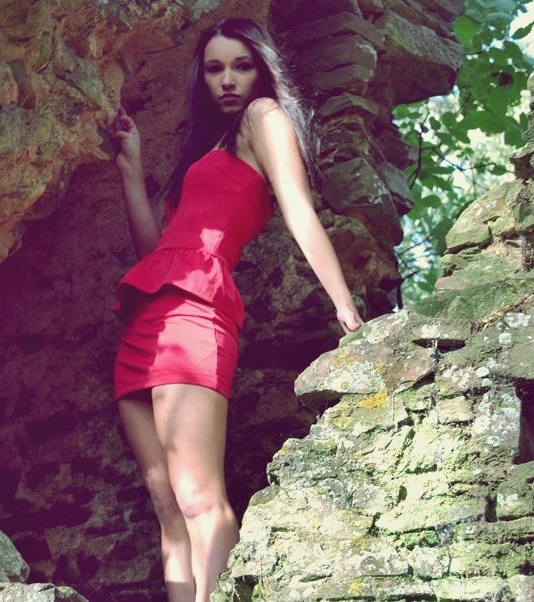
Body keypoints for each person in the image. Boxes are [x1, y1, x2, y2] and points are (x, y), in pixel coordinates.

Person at [107, 17, 364, 601]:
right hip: (148, 319)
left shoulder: (263, 117)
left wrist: (344, 305)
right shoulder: (206, 147)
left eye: (242, 66)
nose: (227, 79)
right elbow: (156, 252)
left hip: (197, 315)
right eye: (215, 68)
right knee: (168, 508)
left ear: (262, 70)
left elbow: (297, 209)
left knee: (200, 500)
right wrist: (131, 169)